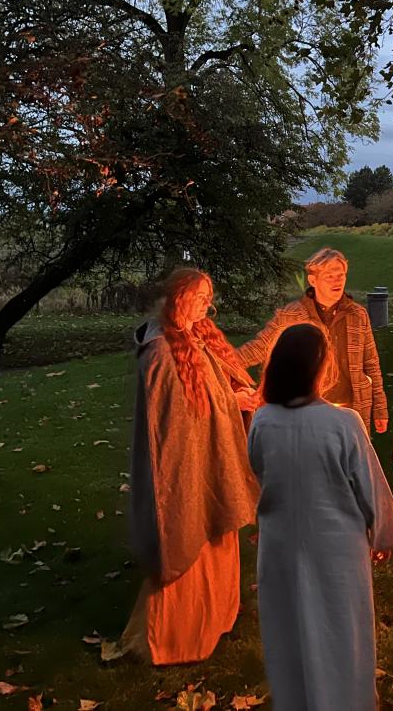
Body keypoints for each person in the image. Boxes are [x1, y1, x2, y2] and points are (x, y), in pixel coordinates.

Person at [249, 324, 393, 711]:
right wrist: (383, 533)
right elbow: (370, 483)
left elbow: (260, 471)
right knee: (340, 631)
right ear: (320, 368)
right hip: (335, 546)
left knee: (290, 630)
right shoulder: (343, 423)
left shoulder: (263, 421)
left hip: (281, 543)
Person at [121, 268, 260, 665]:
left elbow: (211, 390)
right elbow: (175, 423)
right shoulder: (162, 351)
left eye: (208, 296)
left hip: (210, 457)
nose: (206, 304)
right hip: (185, 466)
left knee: (216, 530)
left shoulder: (197, 335)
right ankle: (178, 636)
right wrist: (233, 403)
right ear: (176, 298)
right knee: (187, 530)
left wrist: (236, 392)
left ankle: (216, 618)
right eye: (198, 296)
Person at [238, 247, 388, 433]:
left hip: (351, 411)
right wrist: (222, 362)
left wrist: (380, 409)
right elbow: (259, 347)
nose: (337, 281)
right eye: (329, 276)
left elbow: (371, 363)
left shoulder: (358, 315)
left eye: (340, 275)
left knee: (351, 451)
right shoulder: (292, 315)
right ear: (313, 280)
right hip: (305, 411)